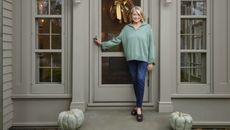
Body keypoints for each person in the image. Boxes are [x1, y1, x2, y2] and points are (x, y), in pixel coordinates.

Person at [94, 6, 156, 122]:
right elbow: (116, 40)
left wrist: (151, 61)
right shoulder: (126, 29)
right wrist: (102, 44)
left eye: (138, 14)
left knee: (140, 80)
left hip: (143, 60)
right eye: (134, 14)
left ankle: (138, 108)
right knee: (135, 81)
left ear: (141, 15)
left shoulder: (147, 28)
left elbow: (151, 45)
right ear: (131, 16)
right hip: (131, 59)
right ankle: (139, 105)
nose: (136, 16)